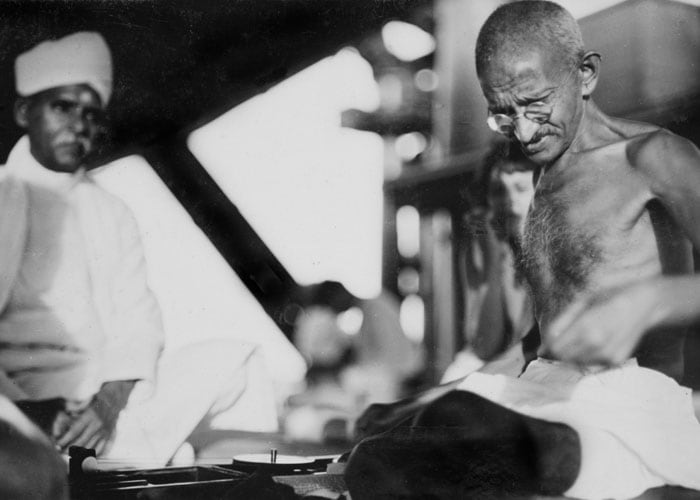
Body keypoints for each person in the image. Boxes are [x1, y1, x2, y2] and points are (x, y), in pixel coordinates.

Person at [346, 2, 700, 498]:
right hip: (540, 390)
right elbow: (539, 343)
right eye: (502, 113)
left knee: (479, 440)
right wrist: (427, 398)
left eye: (535, 104)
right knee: (376, 451)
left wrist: (649, 303)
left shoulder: (654, 155)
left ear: (586, 74)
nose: (525, 131)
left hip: (634, 404)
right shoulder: (542, 181)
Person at [0, 32, 278, 466]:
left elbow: (138, 320)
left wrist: (108, 405)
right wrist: (27, 408)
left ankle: (213, 478)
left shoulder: (110, 211)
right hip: (14, 402)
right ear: (24, 111)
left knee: (236, 363)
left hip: (98, 404)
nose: (79, 125)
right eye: (63, 107)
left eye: (92, 114)